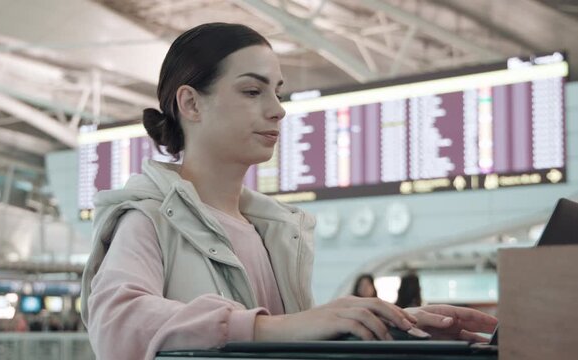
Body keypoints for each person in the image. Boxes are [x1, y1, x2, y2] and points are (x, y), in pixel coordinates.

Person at [81, 22, 497, 359]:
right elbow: (117, 321)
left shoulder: (272, 230)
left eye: (277, 92)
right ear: (190, 104)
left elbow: (282, 345)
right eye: (251, 91)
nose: (278, 109)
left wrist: (393, 326)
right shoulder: (147, 218)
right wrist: (273, 326)